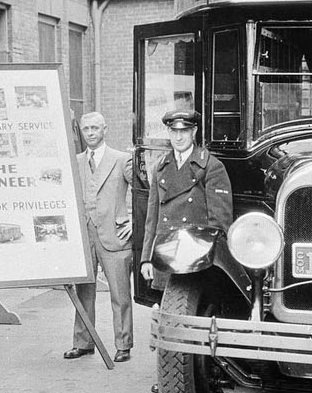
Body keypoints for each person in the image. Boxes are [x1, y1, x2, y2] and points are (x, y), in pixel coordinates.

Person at [65, 111, 134, 363]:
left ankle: (123, 345)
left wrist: (134, 222)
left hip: (114, 235)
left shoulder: (122, 159)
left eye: (95, 128)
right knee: (84, 291)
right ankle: (83, 342)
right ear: (81, 132)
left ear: (105, 129)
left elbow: (143, 193)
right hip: (85, 235)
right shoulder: (77, 161)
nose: (91, 133)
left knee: (120, 293)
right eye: (86, 129)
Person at [139, 109, 234, 292]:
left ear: (194, 131)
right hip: (166, 255)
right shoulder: (160, 167)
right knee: (169, 314)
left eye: (184, 131)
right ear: (168, 132)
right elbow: (153, 219)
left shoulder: (211, 166)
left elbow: (220, 223)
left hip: (197, 260)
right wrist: (147, 258)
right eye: (174, 131)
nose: (179, 137)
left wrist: (210, 263)